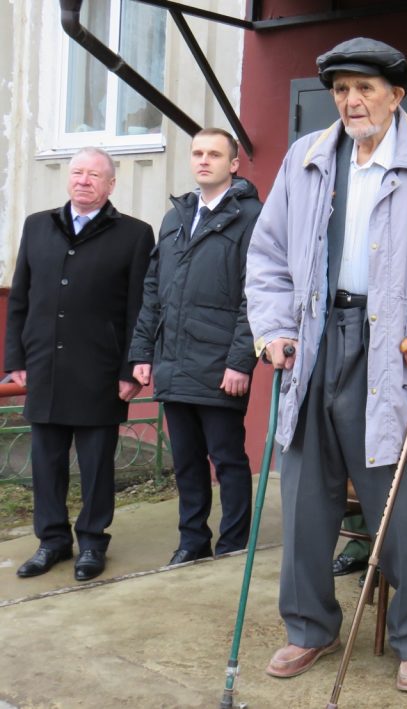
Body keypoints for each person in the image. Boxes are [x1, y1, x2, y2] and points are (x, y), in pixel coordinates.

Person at [245, 37, 407, 692]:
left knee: (402, 502)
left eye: (365, 88)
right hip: (314, 338)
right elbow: (268, 255)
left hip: (396, 347)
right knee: (304, 494)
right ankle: (309, 624)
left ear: (396, 95)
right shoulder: (307, 158)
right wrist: (272, 329)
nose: (352, 101)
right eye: (341, 90)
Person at [6, 147, 153, 582]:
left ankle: (92, 542)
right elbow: (19, 300)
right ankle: (51, 541)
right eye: (77, 172)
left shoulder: (134, 234)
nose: (84, 180)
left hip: (100, 372)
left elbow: (140, 308)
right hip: (45, 367)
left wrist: (131, 369)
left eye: (94, 175)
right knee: (46, 462)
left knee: (95, 466)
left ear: (111, 184)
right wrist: (16, 360)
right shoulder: (37, 226)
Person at [129, 128, 261, 565]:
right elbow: (153, 289)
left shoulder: (251, 217)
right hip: (173, 360)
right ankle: (191, 541)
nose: (204, 160)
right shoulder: (175, 217)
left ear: (234, 164)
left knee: (227, 459)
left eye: (215, 154)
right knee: (185, 462)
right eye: (198, 153)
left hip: (221, 364)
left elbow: (255, 296)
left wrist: (241, 361)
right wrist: (142, 352)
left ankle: (233, 544)